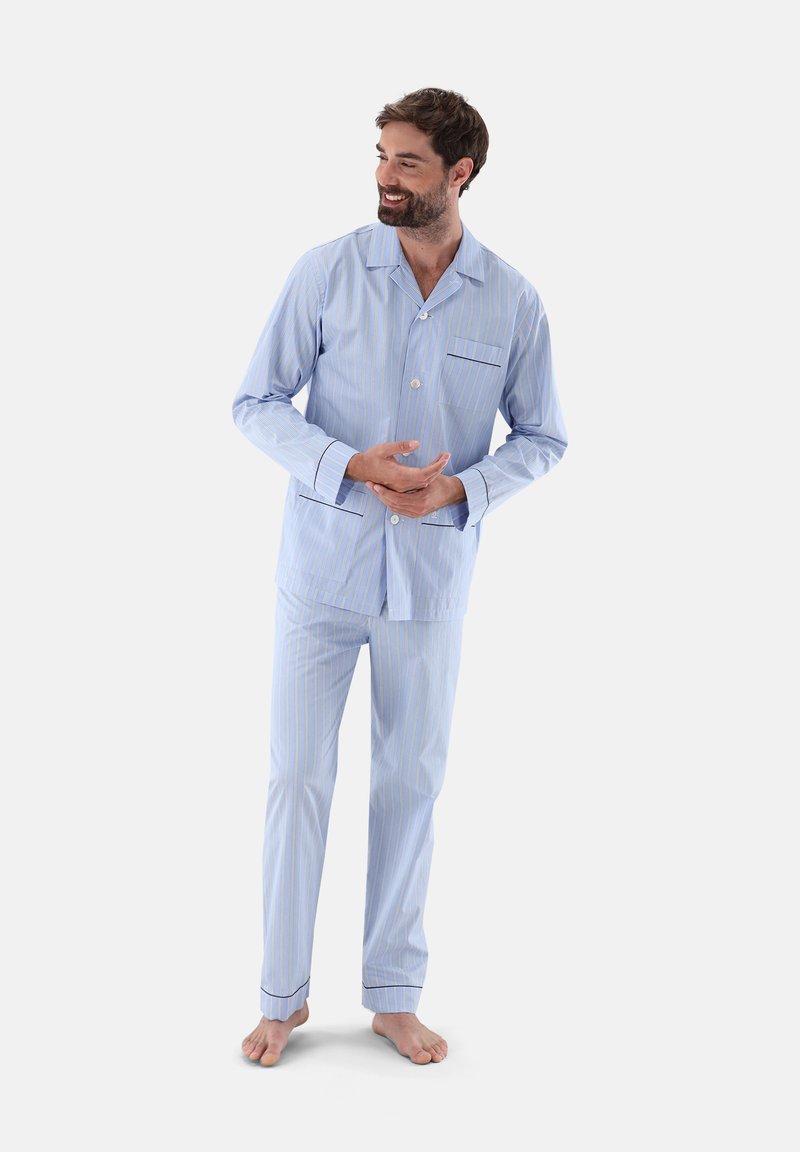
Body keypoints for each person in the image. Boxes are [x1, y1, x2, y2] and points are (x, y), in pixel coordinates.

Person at [233, 87, 568, 1066]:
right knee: (297, 776)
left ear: (459, 173)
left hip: (430, 582)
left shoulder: (512, 300)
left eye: (408, 161)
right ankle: (280, 997)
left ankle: (392, 995)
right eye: (381, 155)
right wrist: (347, 465)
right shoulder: (328, 272)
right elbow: (256, 402)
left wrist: (462, 488)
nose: (385, 175)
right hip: (321, 574)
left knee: (410, 783)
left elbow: (544, 436)